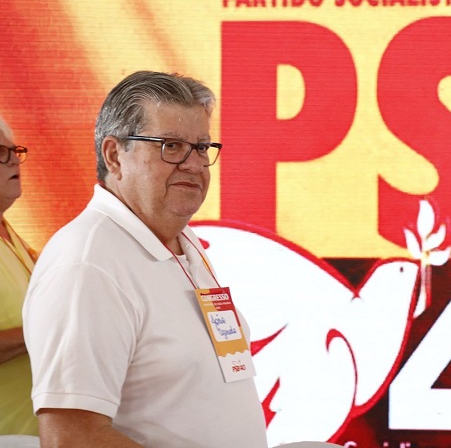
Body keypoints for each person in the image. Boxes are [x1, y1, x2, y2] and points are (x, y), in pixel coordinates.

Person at [23, 71, 268, 447]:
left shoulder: (182, 241)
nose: (193, 164)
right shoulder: (88, 264)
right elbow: (70, 436)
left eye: (202, 147)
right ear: (114, 156)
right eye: (171, 145)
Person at [0, 118, 37, 436]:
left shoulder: (11, 234)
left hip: (39, 431)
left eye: (14, 150)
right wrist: (49, 327)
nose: (13, 159)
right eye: (1, 152)